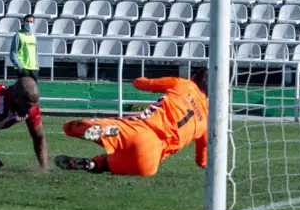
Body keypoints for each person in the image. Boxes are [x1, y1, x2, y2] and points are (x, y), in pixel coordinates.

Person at [56, 69, 208, 177]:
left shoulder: (184, 84)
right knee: (111, 164)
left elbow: (143, 84)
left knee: (69, 127)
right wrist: (204, 163)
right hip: (149, 160)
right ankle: (94, 164)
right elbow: (202, 159)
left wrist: (138, 80)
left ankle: (103, 130)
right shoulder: (207, 121)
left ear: (194, 78)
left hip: (141, 129)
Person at [9, 14, 39, 80]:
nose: (29, 23)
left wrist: (37, 66)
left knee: (33, 89)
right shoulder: (18, 35)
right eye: (27, 21)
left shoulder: (33, 36)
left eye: (31, 22)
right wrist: (20, 67)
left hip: (33, 68)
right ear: (23, 22)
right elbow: (13, 54)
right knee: (24, 89)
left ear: (33, 23)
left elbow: (35, 53)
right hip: (23, 68)